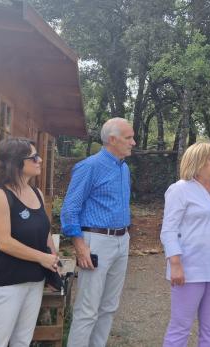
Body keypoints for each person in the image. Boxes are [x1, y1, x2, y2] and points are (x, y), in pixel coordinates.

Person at [60, 117, 135, 347]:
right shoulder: (89, 167)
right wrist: (80, 245)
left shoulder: (124, 169)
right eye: (129, 137)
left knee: (109, 307)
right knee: (88, 308)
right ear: (112, 139)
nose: (134, 142)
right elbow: (70, 209)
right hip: (96, 242)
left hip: (122, 240)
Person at [0, 138, 59, 347]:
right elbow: (4, 242)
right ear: (16, 163)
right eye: (33, 157)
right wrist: (42, 257)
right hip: (6, 282)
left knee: (22, 341)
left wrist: (53, 261)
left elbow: (44, 232)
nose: (40, 160)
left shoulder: (37, 193)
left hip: (34, 280)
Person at [160, 142, 210, 347]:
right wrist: (175, 264)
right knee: (180, 327)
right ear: (198, 161)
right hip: (189, 269)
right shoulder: (180, 190)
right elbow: (169, 230)